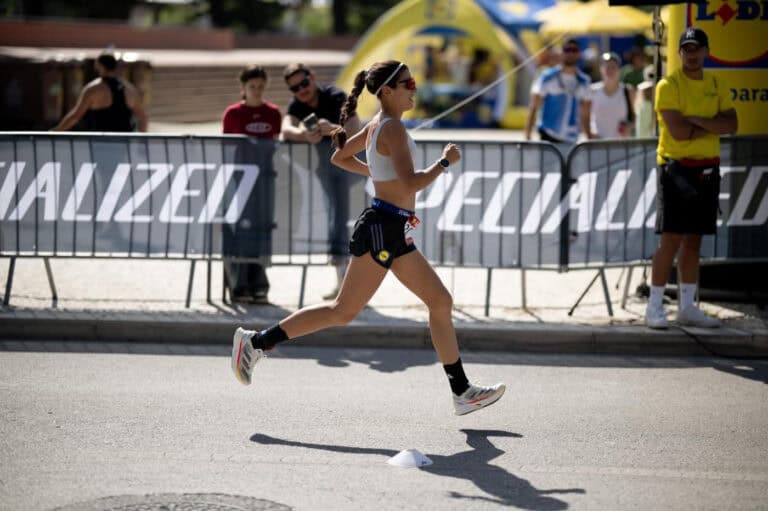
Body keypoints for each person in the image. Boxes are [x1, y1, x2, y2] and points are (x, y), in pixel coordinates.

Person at [232, 60, 506, 416]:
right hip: (383, 228)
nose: (415, 88)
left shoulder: (381, 124)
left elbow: (339, 156)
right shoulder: (390, 128)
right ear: (388, 91)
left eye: (414, 82)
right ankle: (255, 343)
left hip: (391, 227)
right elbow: (409, 183)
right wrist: (444, 162)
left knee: (439, 301)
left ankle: (462, 391)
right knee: (343, 311)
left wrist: (377, 173)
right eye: (408, 83)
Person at [645, 27, 737, 329]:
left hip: (707, 169)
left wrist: (697, 122)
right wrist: (712, 123)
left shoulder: (717, 82)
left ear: (707, 51)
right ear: (680, 53)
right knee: (670, 239)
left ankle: (687, 307)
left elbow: (732, 124)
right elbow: (679, 132)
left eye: (697, 48)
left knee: (694, 242)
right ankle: (654, 307)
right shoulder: (667, 85)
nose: (692, 54)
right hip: (676, 168)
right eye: (687, 49)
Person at [280, 63, 362, 299]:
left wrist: (332, 130)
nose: (302, 90)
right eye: (295, 88)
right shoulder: (298, 105)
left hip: (356, 170)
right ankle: (345, 285)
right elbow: (285, 130)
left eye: (304, 83)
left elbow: (356, 129)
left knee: (351, 223)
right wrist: (304, 135)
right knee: (337, 223)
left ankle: (352, 287)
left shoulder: (335, 96)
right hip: (330, 174)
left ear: (312, 77)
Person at [221, 65, 282, 304]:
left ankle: (259, 283)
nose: (256, 91)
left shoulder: (273, 113)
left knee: (262, 229)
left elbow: (276, 144)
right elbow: (227, 146)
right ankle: (239, 284)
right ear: (243, 88)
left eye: (260, 87)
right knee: (241, 229)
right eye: (252, 87)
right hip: (239, 179)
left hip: (265, 178)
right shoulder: (233, 113)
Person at [52, 52, 147, 132]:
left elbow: (75, 116)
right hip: (123, 144)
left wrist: (56, 131)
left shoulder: (93, 89)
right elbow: (142, 117)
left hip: (99, 143)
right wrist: (142, 143)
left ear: (100, 67)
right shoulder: (129, 89)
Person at [525, 39, 593, 144]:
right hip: (549, 136)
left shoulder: (584, 81)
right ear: (561, 52)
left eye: (574, 50)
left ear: (579, 54)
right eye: (567, 49)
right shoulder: (547, 77)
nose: (570, 53)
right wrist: (528, 136)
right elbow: (534, 107)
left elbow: (586, 113)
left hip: (571, 138)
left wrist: (589, 137)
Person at [589, 52, 635, 139]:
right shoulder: (592, 91)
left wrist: (629, 127)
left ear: (619, 69)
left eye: (613, 67)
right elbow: (585, 117)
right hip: (597, 146)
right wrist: (590, 133)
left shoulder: (628, 90)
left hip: (621, 145)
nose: (610, 70)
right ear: (601, 69)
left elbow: (635, 117)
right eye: (607, 67)